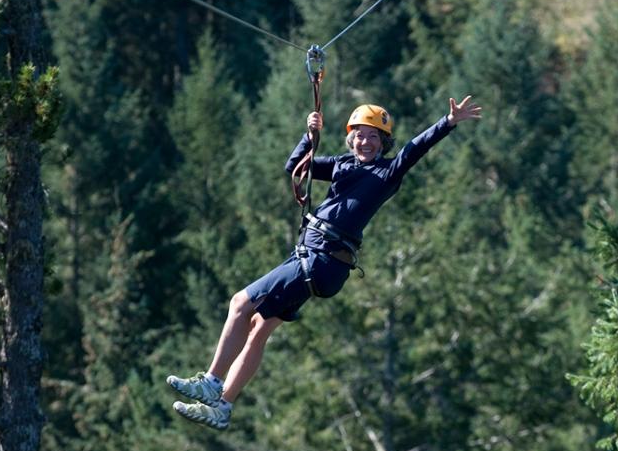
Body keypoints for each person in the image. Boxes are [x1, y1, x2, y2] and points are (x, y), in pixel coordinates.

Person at [168, 95, 482, 430]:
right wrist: (310, 135)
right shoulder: (342, 165)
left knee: (240, 302)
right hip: (317, 260)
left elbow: (416, 148)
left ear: (383, 143)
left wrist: (447, 123)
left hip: (320, 258)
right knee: (259, 327)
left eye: (374, 136)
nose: (365, 141)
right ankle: (224, 406)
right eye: (360, 135)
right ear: (351, 138)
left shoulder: (387, 172)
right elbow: (296, 167)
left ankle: (212, 381)